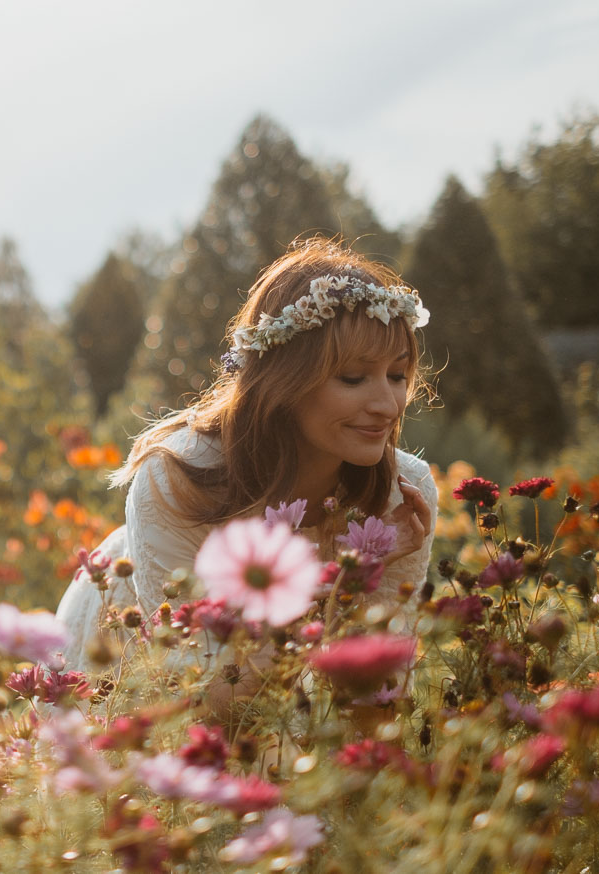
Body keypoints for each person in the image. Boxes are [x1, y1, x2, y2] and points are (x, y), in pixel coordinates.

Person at [55, 237, 438, 678]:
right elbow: (200, 685)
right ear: (284, 381)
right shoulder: (178, 477)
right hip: (131, 670)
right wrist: (347, 581)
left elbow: (377, 682)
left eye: (396, 375)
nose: (388, 406)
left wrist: (367, 575)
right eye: (353, 378)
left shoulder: (403, 494)